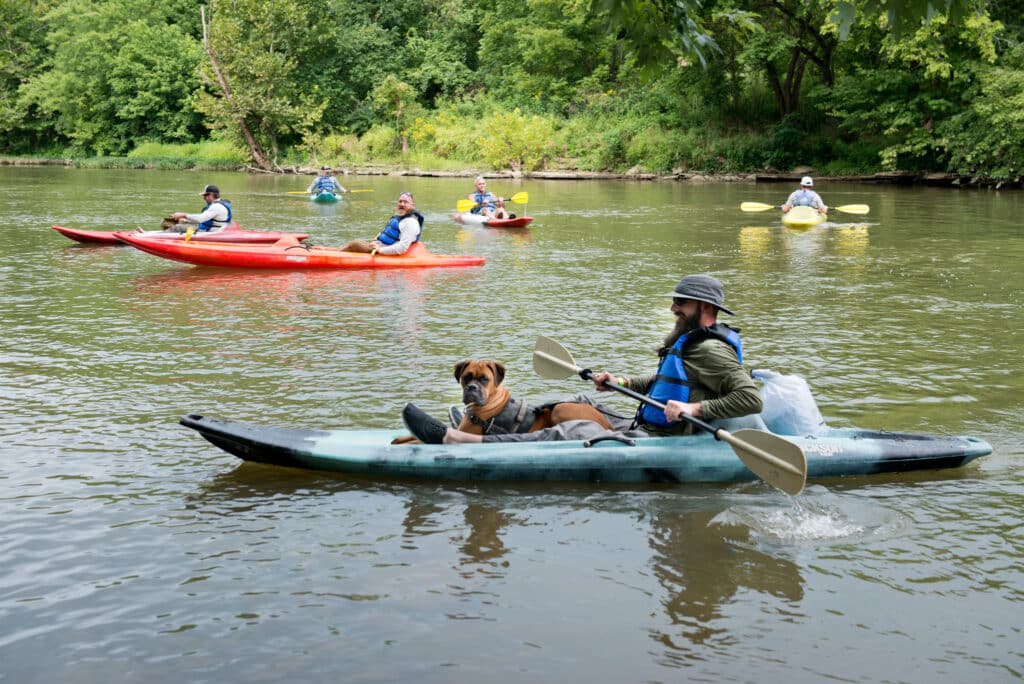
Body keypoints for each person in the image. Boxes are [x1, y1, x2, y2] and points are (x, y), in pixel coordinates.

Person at [402, 274, 764, 444]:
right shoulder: (689, 342)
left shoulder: (711, 349)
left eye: (680, 303)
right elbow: (665, 383)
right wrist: (621, 383)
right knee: (580, 401)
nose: (673, 308)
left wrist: (692, 411)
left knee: (575, 429)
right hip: (647, 421)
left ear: (704, 308)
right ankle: (491, 419)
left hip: (667, 436)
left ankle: (467, 440)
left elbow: (751, 398)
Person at [340, 191, 423, 255]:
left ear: (412, 205)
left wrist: (380, 249)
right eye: (400, 201)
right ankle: (335, 251)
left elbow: (402, 247)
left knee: (355, 244)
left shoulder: (410, 223)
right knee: (354, 242)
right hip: (382, 245)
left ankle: (334, 255)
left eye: (405, 202)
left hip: (386, 250)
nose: (402, 204)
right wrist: (378, 243)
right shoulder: (400, 217)